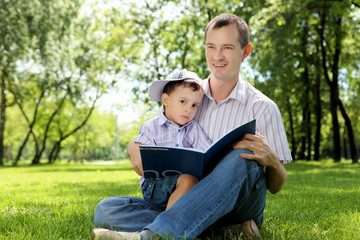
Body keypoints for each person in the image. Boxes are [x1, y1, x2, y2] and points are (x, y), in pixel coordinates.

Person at [92, 13, 292, 240]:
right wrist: (133, 146)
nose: (217, 56)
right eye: (211, 46)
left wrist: (272, 161)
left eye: (227, 47)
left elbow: (276, 186)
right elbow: (158, 128)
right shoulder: (187, 95)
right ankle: (220, 233)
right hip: (183, 198)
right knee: (106, 209)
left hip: (237, 208)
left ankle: (153, 236)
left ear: (245, 51)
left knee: (244, 154)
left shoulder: (263, 108)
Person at [133, 69, 211, 211]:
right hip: (155, 186)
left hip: (185, 188)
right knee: (187, 180)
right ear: (166, 100)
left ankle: (164, 219)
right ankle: (166, 227)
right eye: (183, 101)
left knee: (191, 181)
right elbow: (140, 157)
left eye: (194, 105)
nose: (189, 109)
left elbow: (208, 153)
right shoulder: (151, 127)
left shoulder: (194, 129)